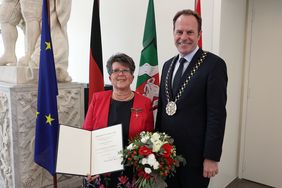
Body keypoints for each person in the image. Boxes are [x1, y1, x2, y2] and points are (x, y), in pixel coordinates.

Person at [156, 9, 227, 188]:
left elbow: (216, 115)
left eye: (190, 32)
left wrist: (211, 156)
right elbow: (164, 109)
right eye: (179, 32)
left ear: (199, 34)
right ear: (173, 33)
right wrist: (156, 147)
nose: (184, 37)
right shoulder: (167, 65)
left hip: (196, 157)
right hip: (168, 154)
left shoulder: (214, 65)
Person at [82, 53, 154, 188]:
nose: (120, 74)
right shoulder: (97, 99)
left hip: (130, 170)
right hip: (99, 170)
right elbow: (87, 134)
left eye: (125, 70)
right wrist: (88, 166)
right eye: (116, 70)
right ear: (110, 77)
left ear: (132, 77)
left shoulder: (144, 103)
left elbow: (149, 139)